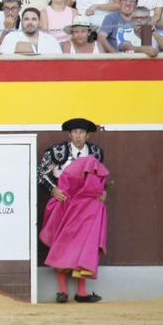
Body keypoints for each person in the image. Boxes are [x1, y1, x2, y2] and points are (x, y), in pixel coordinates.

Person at [38, 118, 108, 303]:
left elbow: (99, 180)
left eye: (81, 132)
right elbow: (40, 173)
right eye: (74, 132)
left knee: (86, 244)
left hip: (86, 205)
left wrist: (102, 193)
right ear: (69, 134)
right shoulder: (57, 152)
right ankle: (62, 291)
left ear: (87, 135)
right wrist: (53, 189)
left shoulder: (96, 153)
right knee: (61, 242)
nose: (78, 136)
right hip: (65, 201)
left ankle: (82, 292)